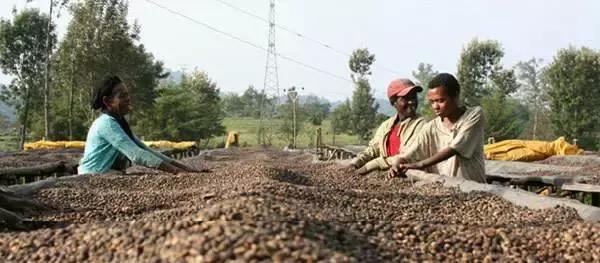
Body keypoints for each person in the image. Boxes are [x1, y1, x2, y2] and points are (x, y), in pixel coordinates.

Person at [78, 76, 199, 175]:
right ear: (108, 101)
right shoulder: (107, 124)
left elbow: (146, 150)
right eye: (122, 96)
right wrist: (177, 172)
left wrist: (186, 169)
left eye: (127, 95)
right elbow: (136, 154)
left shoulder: (117, 123)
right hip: (92, 174)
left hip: (106, 173)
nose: (128, 99)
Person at [388, 73, 486, 183]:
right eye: (432, 102)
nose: (435, 106)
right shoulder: (431, 127)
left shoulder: (474, 115)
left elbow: (455, 148)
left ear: (455, 96)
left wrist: (419, 164)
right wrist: (397, 163)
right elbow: (409, 154)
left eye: (441, 100)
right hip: (446, 187)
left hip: (474, 187)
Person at [349, 78, 426, 175]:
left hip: (408, 175)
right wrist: (355, 162)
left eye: (413, 97)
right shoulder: (386, 125)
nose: (411, 102)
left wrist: (370, 166)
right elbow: (373, 149)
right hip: (385, 175)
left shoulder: (422, 125)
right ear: (393, 102)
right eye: (406, 98)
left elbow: (406, 156)